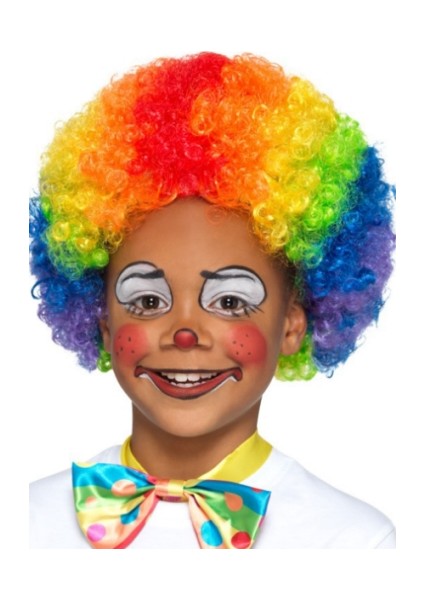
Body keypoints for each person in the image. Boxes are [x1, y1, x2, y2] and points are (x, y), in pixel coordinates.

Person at [29, 52, 395, 549]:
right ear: (103, 324)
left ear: (292, 325)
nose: (185, 333)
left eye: (229, 302)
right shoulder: (28, 522)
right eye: (147, 300)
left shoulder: (355, 543)